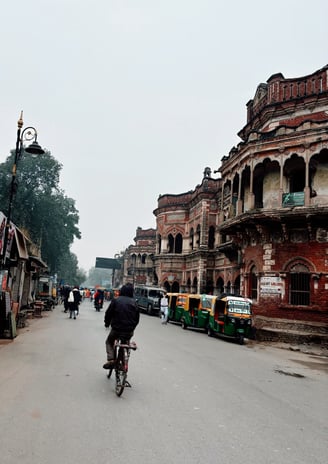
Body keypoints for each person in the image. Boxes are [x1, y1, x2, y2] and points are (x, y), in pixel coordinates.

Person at [103, 283, 140, 369]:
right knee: (125, 343)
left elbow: (108, 313)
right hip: (129, 331)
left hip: (116, 329)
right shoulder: (134, 303)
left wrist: (107, 323)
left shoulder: (116, 300)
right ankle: (121, 361)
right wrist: (132, 328)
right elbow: (137, 319)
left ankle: (111, 359)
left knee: (109, 341)